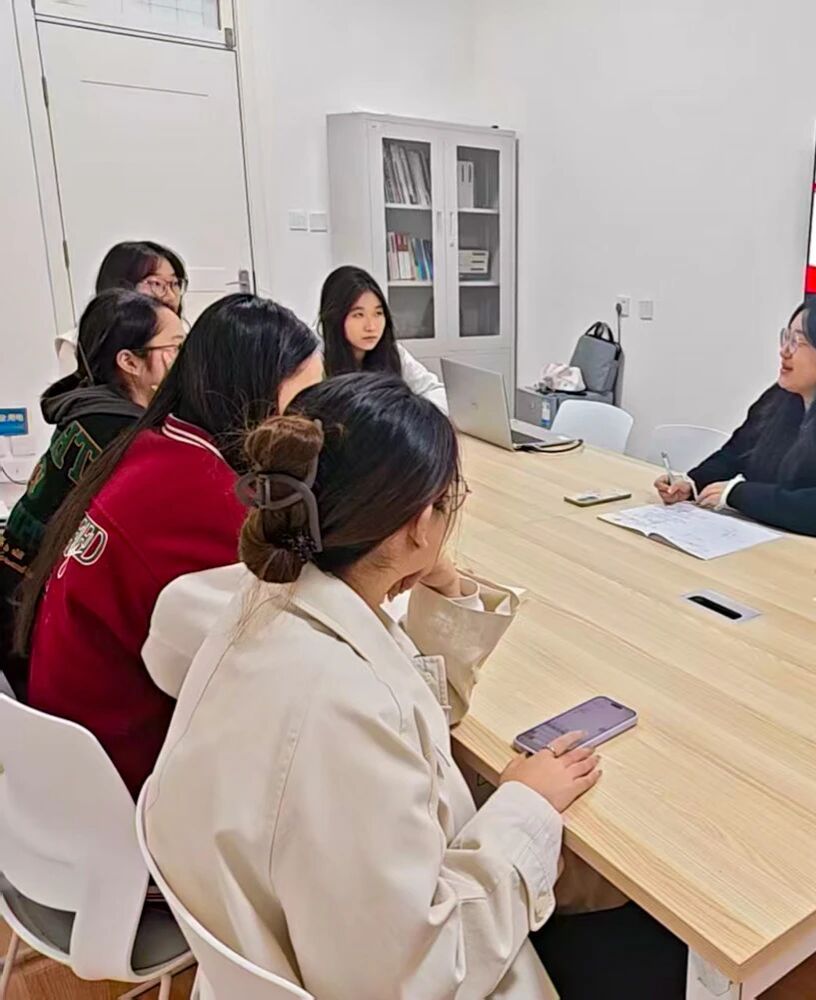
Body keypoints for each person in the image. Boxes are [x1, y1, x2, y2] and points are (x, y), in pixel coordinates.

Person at [144, 374, 682, 999]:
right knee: (643, 911)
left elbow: (409, 700)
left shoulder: (259, 603)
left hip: (282, 938)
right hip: (400, 969)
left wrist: (440, 579)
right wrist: (524, 805)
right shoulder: (345, 706)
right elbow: (422, 971)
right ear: (421, 521)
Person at [16, 293, 322, 795]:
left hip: (67, 758)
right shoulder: (206, 496)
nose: (312, 424)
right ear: (252, 395)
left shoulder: (153, 444)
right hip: (124, 781)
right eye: (304, 404)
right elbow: (281, 677)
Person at [1, 289, 184, 699]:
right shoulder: (121, 434)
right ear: (130, 362)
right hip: (30, 618)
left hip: (16, 591)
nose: (185, 359)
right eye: (175, 347)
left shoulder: (88, 408)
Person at [655, 296, 816, 537]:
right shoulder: (783, 396)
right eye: (786, 337)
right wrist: (692, 483)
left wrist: (738, 494)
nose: (784, 351)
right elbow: (736, 453)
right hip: (765, 535)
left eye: (798, 342)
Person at [318, 264, 449, 412]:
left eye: (378, 313)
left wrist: (410, 414)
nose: (371, 326)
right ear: (335, 317)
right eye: (358, 315)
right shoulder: (317, 361)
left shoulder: (393, 352)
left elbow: (433, 390)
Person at [55, 241, 188, 376]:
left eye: (175, 283)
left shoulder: (183, 333)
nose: (171, 295)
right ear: (121, 286)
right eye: (156, 283)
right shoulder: (75, 344)